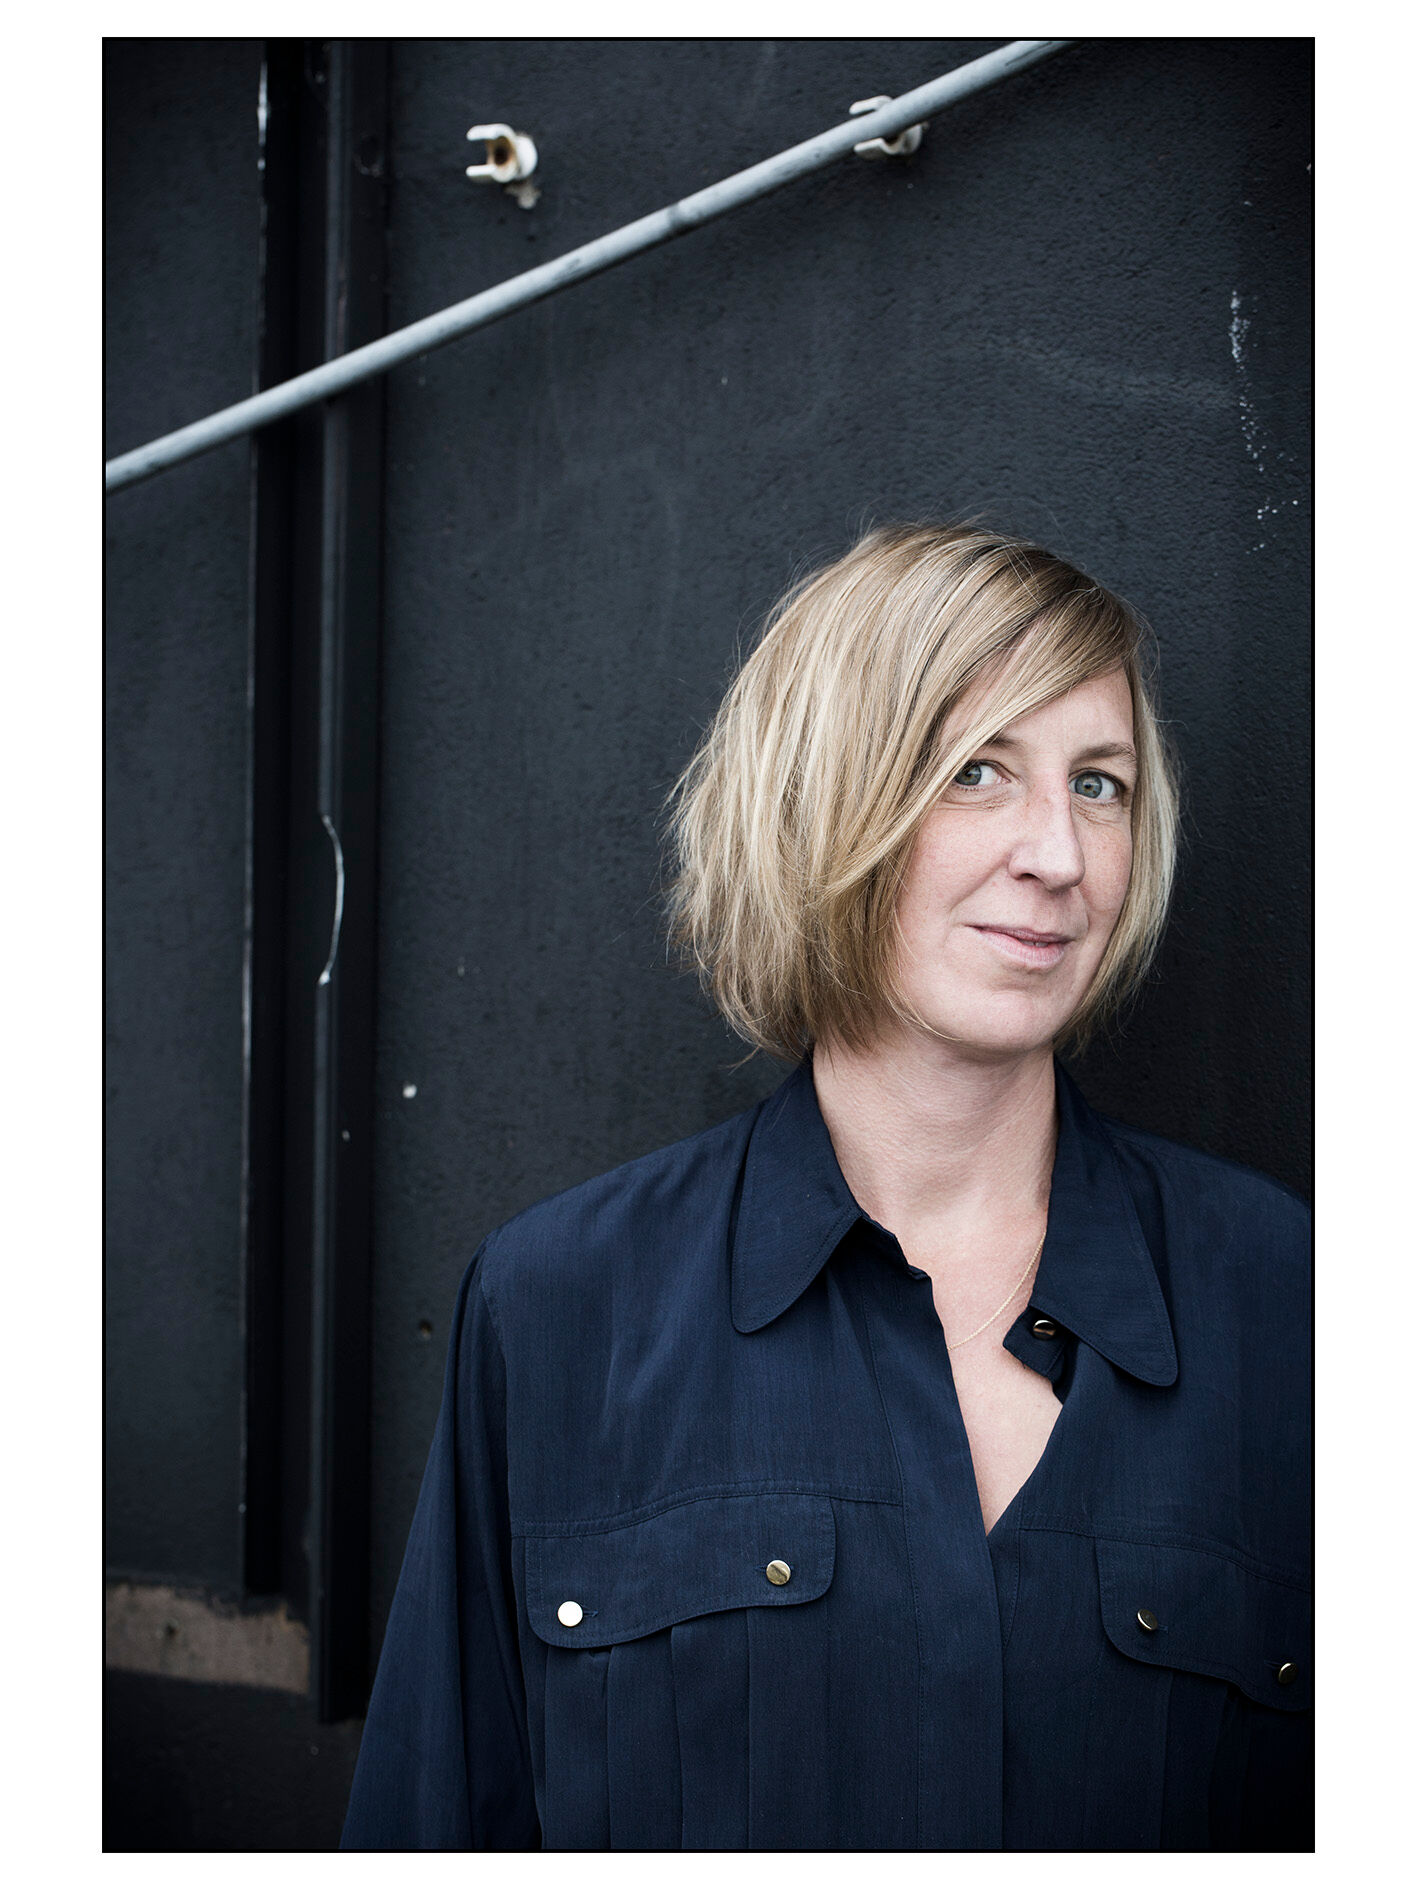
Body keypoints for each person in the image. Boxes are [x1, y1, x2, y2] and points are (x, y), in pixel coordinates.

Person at [340, 523, 1312, 1852]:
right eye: (976, 772)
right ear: (821, 799)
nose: (1058, 854)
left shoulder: (1283, 1295)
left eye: (1099, 784)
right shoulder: (563, 1302)